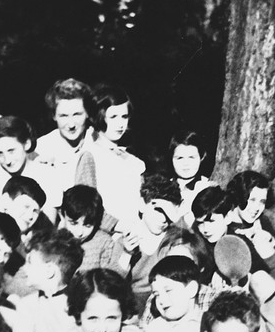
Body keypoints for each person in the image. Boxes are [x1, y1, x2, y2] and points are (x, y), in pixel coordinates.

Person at [74, 84, 145, 232]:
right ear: (99, 116)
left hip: (136, 233)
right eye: (113, 117)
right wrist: (121, 227)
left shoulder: (133, 160)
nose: (120, 124)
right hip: (107, 236)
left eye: (124, 116)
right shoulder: (90, 155)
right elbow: (85, 206)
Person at [0, 115, 63, 224]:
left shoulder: (47, 175)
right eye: (0, 153)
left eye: (11, 151)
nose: (7, 160)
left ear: (27, 144)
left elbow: (48, 225)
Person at [127, 173, 184, 313]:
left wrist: (177, 218)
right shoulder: (129, 236)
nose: (163, 219)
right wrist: (125, 254)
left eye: (168, 212)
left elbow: (197, 252)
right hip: (132, 308)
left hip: (166, 305)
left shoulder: (174, 237)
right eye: (159, 210)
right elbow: (111, 282)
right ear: (142, 205)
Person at [35, 78, 95, 188]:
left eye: (77, 114)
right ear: (54, 116)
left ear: (87, 113)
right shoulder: (41, 149)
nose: (71, 125)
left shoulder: (99, 141)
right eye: (64, 116)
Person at [225, 170, 275, 277]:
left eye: (262, 201)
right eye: (252, 200)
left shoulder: (263, 221)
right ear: (239, 196)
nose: (256, 208)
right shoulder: (226, 227)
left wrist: (272, 241)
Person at [58, 185, 125, 273]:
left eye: (87, 225)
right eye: (73, 223)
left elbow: (108, 279)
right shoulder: (54, 240)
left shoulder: (104, 242)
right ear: (62, 215)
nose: (79, 233)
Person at [169, 129, 213, 219]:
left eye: (191, 157)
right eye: (180, 158)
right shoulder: (164, 186)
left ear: (202, 157)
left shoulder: (208, 188)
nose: (186, 163)